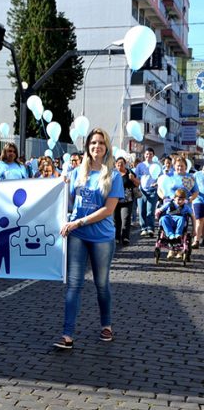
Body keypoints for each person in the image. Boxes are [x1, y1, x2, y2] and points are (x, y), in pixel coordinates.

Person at [54, 128, 124, 350]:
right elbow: (68, 203)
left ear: (106, 148)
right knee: (74, 285)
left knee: (101, 284)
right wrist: (60, 186)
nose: (97, 146)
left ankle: (106, 325)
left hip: (102, 237)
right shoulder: (76, 173)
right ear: (87, 147)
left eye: (101, 143)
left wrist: (79, 222)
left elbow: (107, 210)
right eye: (93, 143)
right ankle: (67, 334)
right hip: (77, 235)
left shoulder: (114, 175)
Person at [156, 188, 195, 258]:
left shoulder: (186, 207)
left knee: (181, 218)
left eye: (182, 200)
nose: (180, 201)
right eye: (179, 199)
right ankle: (170, 234)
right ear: (174, 198)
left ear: (185, 200)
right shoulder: (169, 204)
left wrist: (194, 229)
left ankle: (177, 234)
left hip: (179, 222)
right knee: (163, 218)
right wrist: (157, 214)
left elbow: (192, 216)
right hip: (169, 220)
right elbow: (159, 210)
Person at [113, 156, 140, 246]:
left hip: (127, 200)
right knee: (116, 219)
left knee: (125, 218)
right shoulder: (113, 173)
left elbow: (137, 183)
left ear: (125, 164)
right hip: (115, 200)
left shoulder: (129, 172)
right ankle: (116, 237)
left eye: (122, 163)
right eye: (118, 163)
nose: (120, 165)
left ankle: (125, 237)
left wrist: (132, 178)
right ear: (116, 164)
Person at [134, 147, 158, 238]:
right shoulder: (140, 165)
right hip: (142, 191)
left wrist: (156, 183)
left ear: (153, 155)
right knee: (142, 211)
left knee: (150, 211)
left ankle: (150, 228)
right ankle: (143, 228)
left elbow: (160, 176)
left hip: (152, 191)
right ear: (144, 155)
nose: (148, 156)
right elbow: (136, 177)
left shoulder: (157, 165)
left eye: (150, 154)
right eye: (147, 154)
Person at [192, 167, 204, 249]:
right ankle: (196, 240)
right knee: (199, 219)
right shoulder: (196, 174)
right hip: (198, 200)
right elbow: (190, 186)